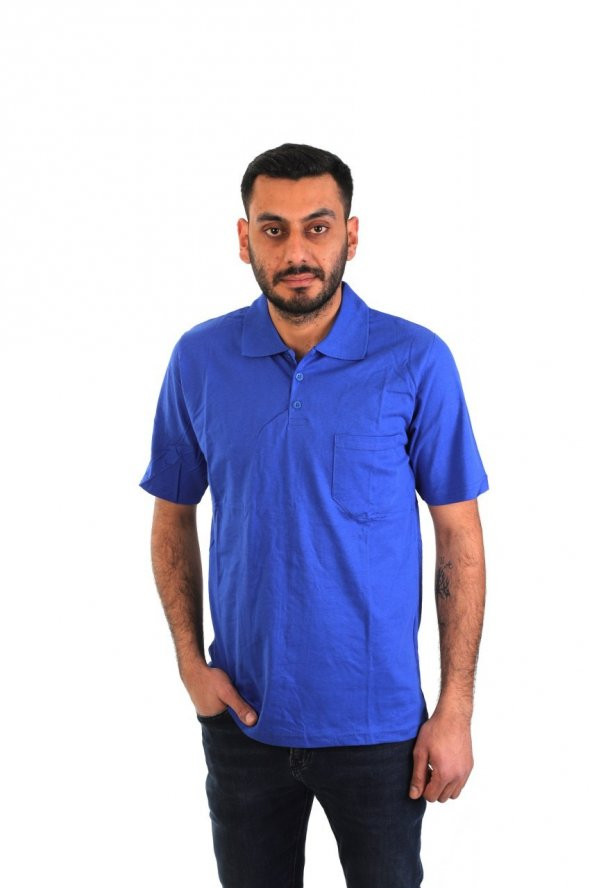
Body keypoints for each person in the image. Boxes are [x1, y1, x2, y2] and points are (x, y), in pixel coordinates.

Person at [138, 142, 489, 888]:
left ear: (350, 236)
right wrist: (190, 664)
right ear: (245, 239)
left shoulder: (417, 360)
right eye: (274, 229)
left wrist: (454, 709)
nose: (296, 252)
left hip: (380, 727)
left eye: (318, 228)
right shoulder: (198, 360)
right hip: (244, 721)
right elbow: (172, 518)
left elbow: (458, 536)